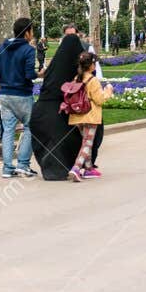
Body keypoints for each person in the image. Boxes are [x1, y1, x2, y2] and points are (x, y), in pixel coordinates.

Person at [29, 28, 87, 181]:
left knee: (54, 139)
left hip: (40, 111)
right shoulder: (74, 65)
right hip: (59, 109)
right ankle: (76, 166)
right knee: (70, 136)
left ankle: (55, 169)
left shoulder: (55, 65)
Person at [0, 16, 39, 179]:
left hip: (4, 94)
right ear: (27, 33)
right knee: (30, 127)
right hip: (22, 95)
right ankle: (23, 164)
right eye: (32, 31)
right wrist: (41, 73)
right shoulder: (28, 50)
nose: (33, 34)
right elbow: (29, 75)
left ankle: (7, 167)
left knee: (8, 130)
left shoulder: (1, 48)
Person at [60, 49, 114, 180]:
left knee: (85, 141)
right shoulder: (93, 80)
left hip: (77, 115)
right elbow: (99, 100)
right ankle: (76, 168)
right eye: (94, 63)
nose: (95, 66)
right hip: (90, 115)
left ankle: (88, 168)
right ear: (90, 66)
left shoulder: (77, 78)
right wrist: (108, 91)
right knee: (87, 143)